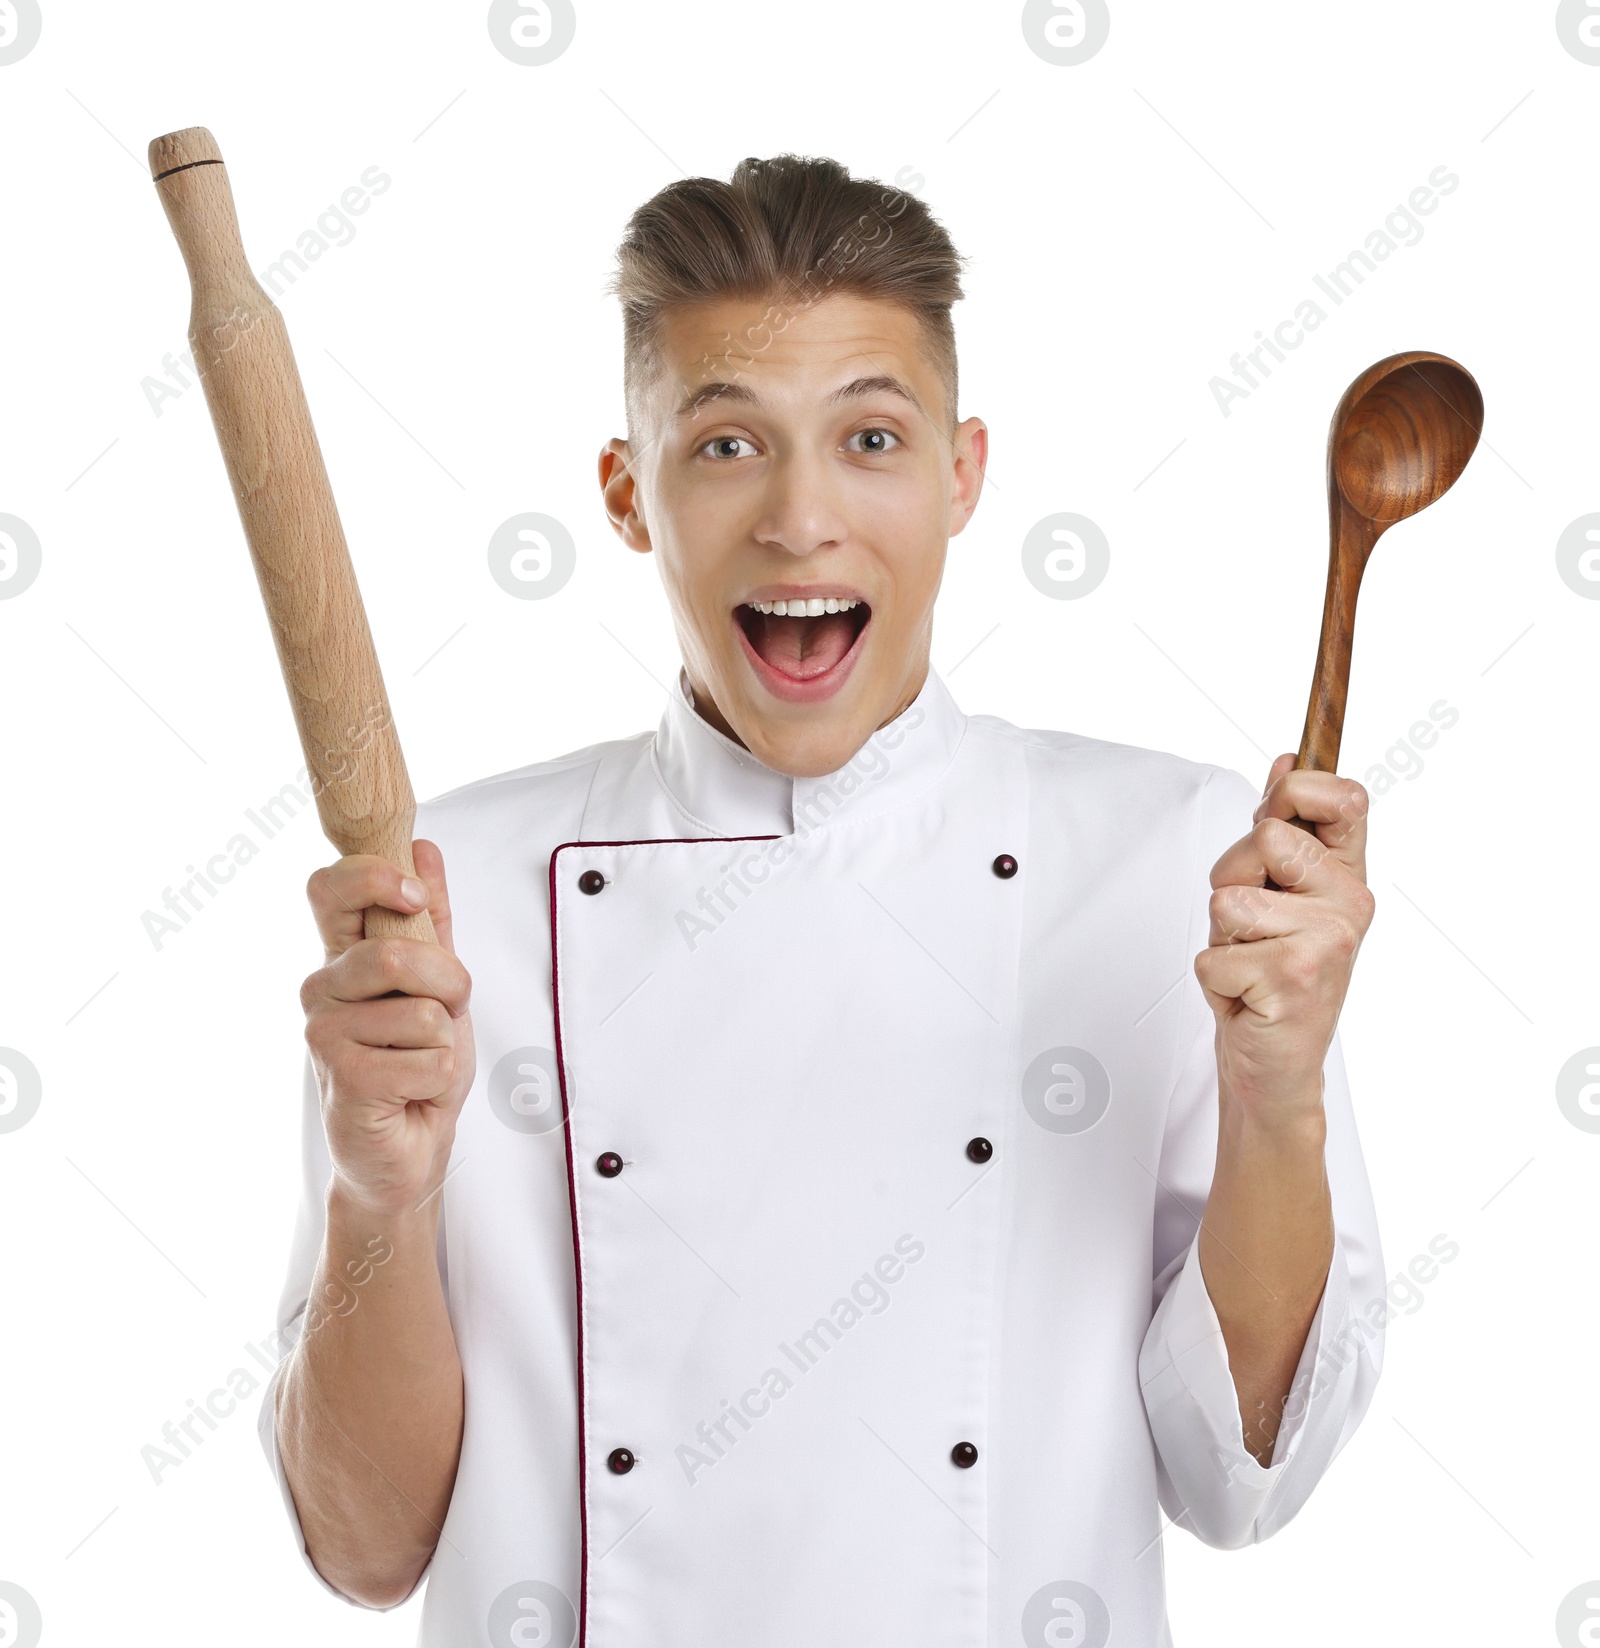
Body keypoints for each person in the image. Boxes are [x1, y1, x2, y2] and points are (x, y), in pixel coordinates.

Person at [262, 154, 1384, 1647]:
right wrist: (380, 1196)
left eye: (870, 437)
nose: (802, 520)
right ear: (627, 493)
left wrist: (1282, 1099)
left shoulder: (1181, 866)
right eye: (726, 446)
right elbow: (364, 1546)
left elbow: (1241, 1480)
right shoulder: (440, 905)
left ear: (964, 473)